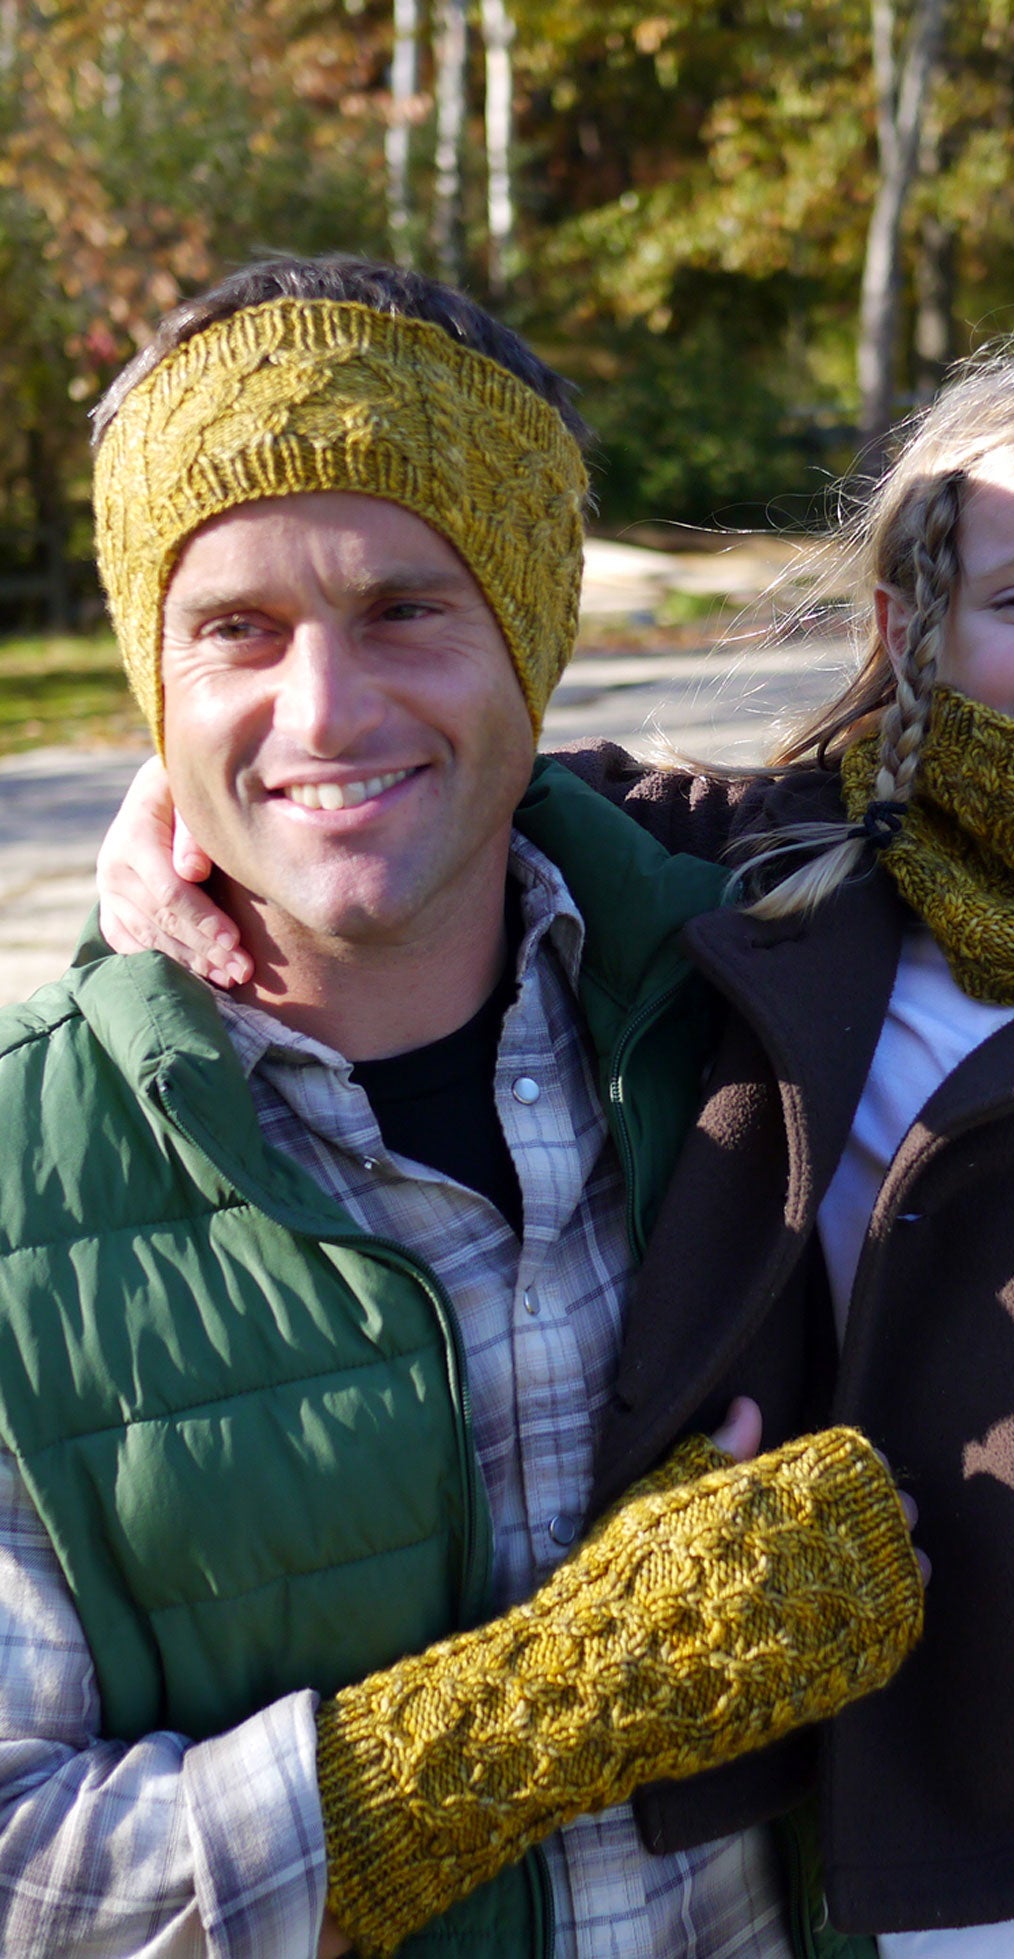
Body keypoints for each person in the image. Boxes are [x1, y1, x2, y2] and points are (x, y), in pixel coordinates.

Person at [78, 273, 1014, 1954]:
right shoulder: (771, 866)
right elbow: (413, 783)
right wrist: (174, 796)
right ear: (913, 627)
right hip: (926, 1781)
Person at [0, 255, 930, 1959]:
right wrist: (537, 1716)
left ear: (531, 634)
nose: (324, 711)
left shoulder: (761, 1003)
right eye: (235, 631)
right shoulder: (16, 1198)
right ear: (156, 688)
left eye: (405, 609)